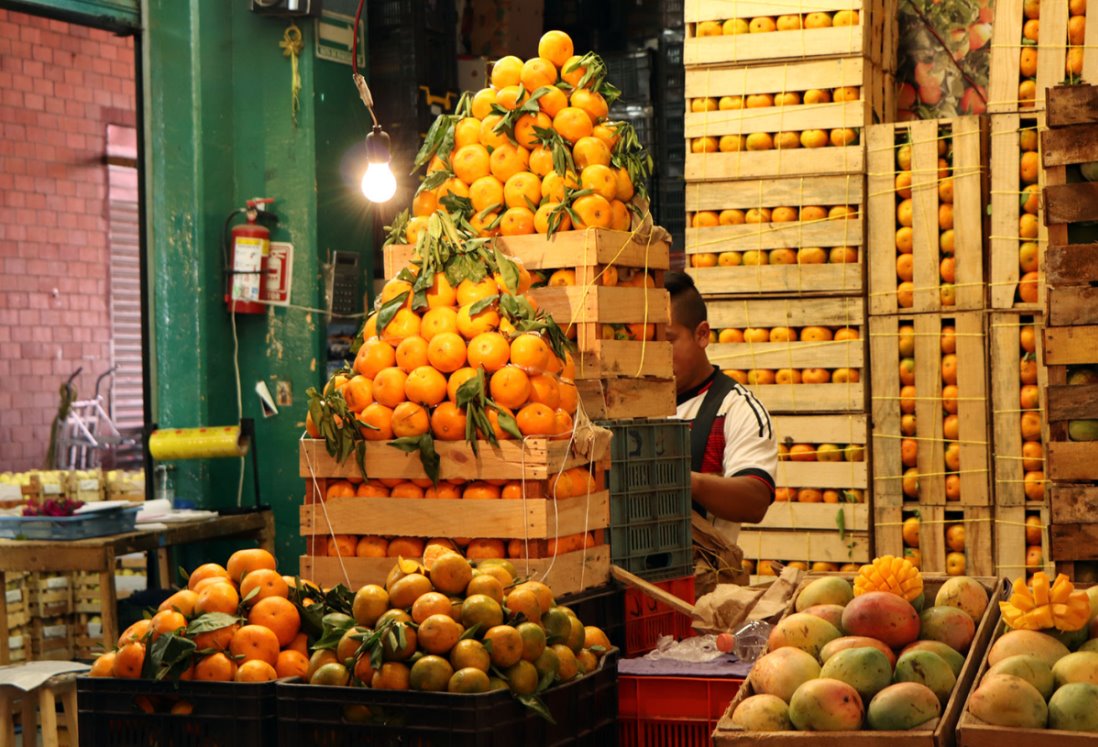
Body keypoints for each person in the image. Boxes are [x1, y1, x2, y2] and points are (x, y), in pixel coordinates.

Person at [663, 271, 777, 559]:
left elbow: (755, 500)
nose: (654, 354)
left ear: (702, 335)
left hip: (704, 585)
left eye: (668, 340)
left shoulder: (735, 408)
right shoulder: (625, 402)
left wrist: (683, 481)